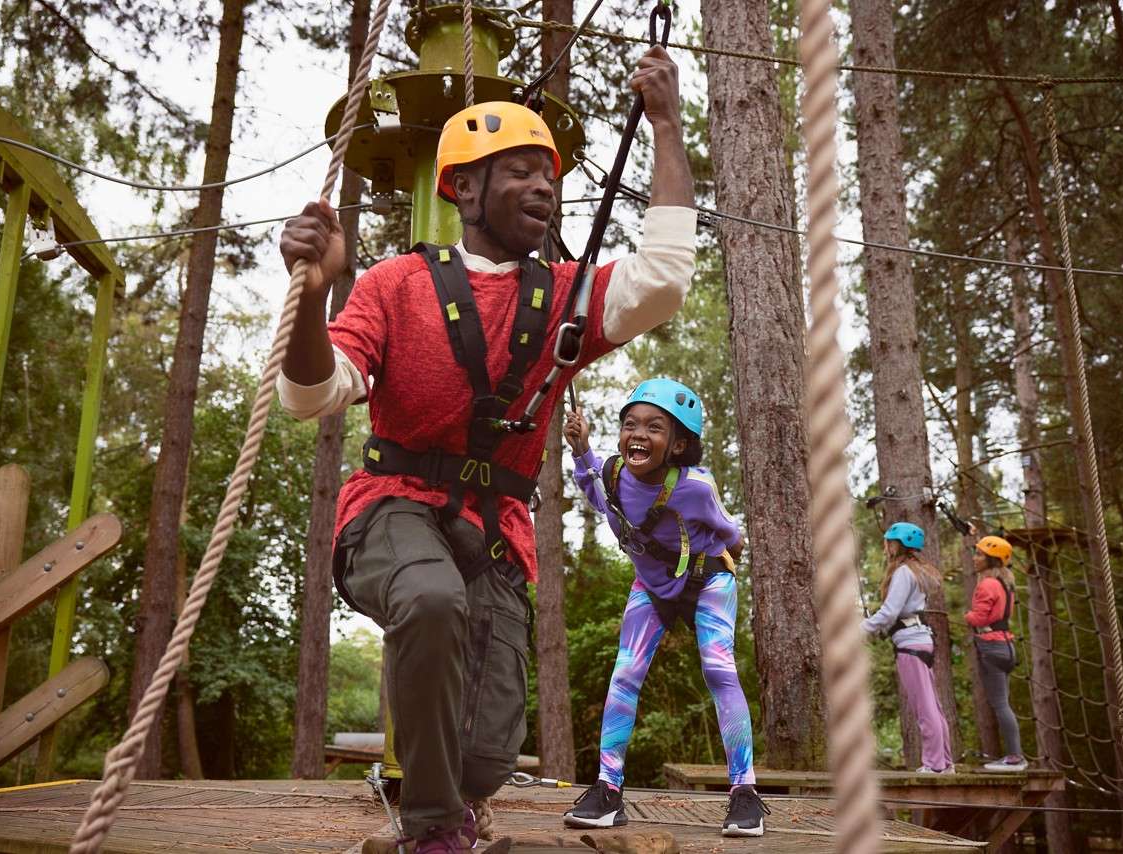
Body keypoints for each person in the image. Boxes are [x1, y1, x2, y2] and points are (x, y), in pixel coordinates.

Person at [275, 46, 695, 854]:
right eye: (518, 171)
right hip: (391, 510)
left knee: (489, 752)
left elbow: (666, 275)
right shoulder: (395, 285)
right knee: (432, 600)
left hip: (496, 530)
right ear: (463, 188)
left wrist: (668, 125)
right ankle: (433, 833)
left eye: (550, 174)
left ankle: (455, 803)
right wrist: (314, 292)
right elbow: (311, 394)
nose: (543, 185)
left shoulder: (566, 298)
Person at [560, 379, 769, 838]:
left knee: (719, 670)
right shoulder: (614, 475)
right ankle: (608, 790)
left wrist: (718, 554)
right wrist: (580, 449)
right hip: (652, 585)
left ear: (677, 445)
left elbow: (729, 533)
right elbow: (596, 489)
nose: (639, 434)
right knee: (625, 673)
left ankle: (745, 792)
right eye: (630, 424)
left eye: (655, 427)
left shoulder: (696, 487)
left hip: (709, 578)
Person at [861, 523, 955, 774]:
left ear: (896, 544)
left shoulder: (904, 572)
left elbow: (890, 612)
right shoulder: (917, 571)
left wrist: (861, 628)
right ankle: (944, 762)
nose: (886, 547)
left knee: (924, 707)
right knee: (932, 705)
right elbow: (897, 614)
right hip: (920, 640)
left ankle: (935, 765)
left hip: (911, 645)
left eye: (888, 542)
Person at [965, 535, 1028, 772]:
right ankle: (1014, 755)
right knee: (1004, 703)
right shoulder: (1005, 584)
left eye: (980, 554)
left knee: (1000, 704)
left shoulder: (987, 585)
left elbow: (979, 617)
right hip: (1006, 646)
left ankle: (1014, 757)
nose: (975, 557)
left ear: (991, 560)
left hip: (991, 647)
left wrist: (967, 617)